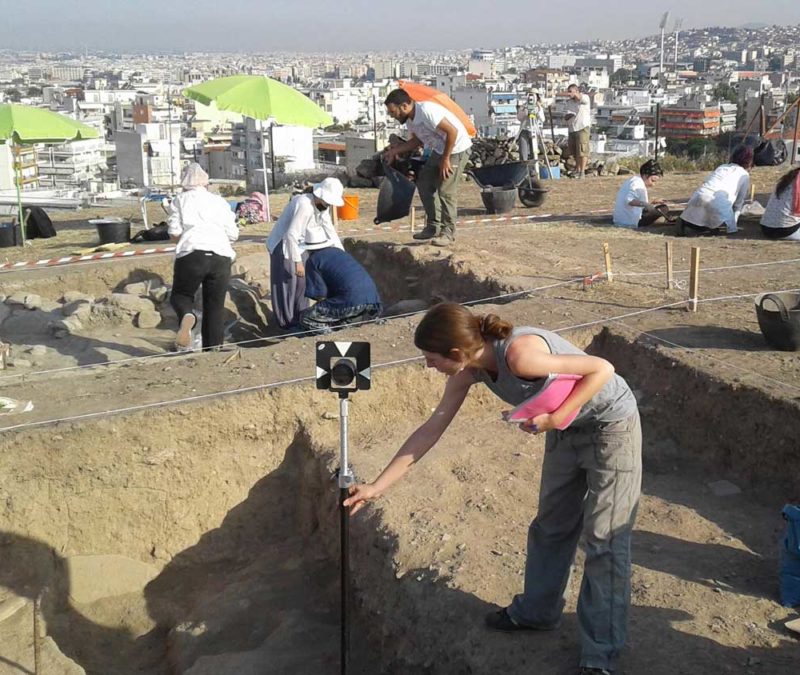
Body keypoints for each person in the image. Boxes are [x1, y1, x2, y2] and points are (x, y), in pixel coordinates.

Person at [343, 303, 641, 675]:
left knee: (604, 539)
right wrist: (376, 487)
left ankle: (600, 656)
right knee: (551, 525)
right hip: (564, 428)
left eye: (431, 359)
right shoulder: (470, 370)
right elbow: (431, 429)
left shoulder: (521, 356)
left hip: (610, 424)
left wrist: (558, 417)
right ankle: (537, 613)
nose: (428, 367)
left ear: (456, 353)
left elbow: (602, 369)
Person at [383, 88, 473, 247]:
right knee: (424, 183)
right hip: (440, 150)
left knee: (445, 190)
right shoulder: (410, 120)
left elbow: (452, 131)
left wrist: (446, 159)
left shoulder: (427, 112)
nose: (392, 116)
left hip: (457, 149)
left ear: (404, 106)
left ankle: (448, 232)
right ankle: (433, 226)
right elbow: (417, 141)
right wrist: (394, 151)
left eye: (393, 112)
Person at [167, 163, 238, 351]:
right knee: (215, 306)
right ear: (206, 183)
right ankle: (212, 349)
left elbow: (174, 231)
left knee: (181, 295)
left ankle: (186, 316)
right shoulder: (220, 202)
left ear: (184, 183)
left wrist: (181, 240)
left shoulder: (180, 200)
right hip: (221, 256)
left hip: (192, 253)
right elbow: (233, 234)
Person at [265, 178, 346, 331]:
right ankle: (286, 324)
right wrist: (297, 262)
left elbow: (330, 232)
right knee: (288, 282)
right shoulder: (304, 204)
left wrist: (343, 256)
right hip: (283, 246)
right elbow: (290, 235)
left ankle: (301, 319)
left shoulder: (322, 206)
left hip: (301, 246)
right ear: (320, 194)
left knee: (302, 285)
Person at [297, 246, 381, 335]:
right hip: (373, 300)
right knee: (338, 314)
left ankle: (332, 336)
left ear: (308, 250)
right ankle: (351, 324)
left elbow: (320, 295)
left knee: (307, 317)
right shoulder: (338, 251)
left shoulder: (314, 260)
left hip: (352, 300)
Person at [678, 145, 754, 236]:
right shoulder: (744, 175)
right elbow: (739, 202)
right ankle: (706, 228)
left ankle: (690, 223)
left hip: (699, 197)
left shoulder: (722, 167)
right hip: (718, 204)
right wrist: (733, 224)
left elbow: (706, 182)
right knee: (719, 219)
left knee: (698, 215)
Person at [612, 159, 672, 228]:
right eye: (652, 181)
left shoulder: (634, 180)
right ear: (645, 175)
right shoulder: (637, 183)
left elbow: (636, 203)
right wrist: (647, 205)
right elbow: (629, 200)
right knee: (664, 208)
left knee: (658, 209)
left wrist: (652, 203)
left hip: (622, 220)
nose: (653, 185)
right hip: (630, 222)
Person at [564, 84, 593, 177]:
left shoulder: (585, 98)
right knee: (575, 150)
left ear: (576, 91)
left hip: (583, 127)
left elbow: (581, 98)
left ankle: (582, 172)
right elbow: (567, 113)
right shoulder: (569, 102)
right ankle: (578, 169)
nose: (568, 94)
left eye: (570, 92)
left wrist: (576, 94)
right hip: (573, 127)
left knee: (582, 149)